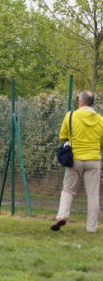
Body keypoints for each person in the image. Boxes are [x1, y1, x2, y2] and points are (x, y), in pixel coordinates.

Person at [52, 91, 103, 233]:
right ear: (92, 102)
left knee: (68, 190)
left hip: (74, 160)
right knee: (92, 194)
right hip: (93, 160)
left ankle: (62, 216)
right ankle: (91, 227)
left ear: (81, 102)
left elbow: (63, 136)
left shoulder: (71, 116)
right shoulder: (100, 120)